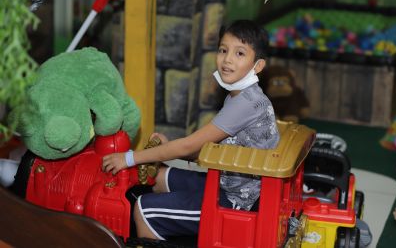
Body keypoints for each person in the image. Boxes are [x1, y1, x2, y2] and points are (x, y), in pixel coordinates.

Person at [102, 20, 280, 240]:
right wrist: (169, 148)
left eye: (240, 53)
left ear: (258, 65)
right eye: (223, 50)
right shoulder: (242, 96)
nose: (227, 59)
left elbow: (190, 145)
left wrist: (129, 158)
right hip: (230, 180)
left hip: (237, 201)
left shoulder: (245, 103)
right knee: (157, 176)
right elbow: (212, 147)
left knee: (144, 209)